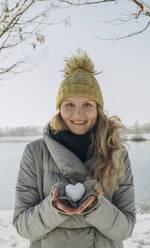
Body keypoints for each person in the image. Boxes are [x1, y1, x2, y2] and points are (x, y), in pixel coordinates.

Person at [13, 50, 136, 248]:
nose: (78, 114)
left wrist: (97, 206)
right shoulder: (35, 153)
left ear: (98, 109)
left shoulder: (117, 154)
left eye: (87, 104)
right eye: (69, 104)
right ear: (59, 108)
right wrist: (54, 209)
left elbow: (125, 228)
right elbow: (22, 226)